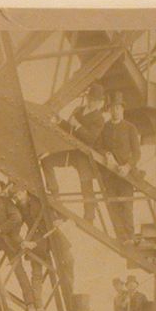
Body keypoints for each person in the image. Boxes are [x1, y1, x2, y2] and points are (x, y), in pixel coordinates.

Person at [42, 82, 106, 221]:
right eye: (90, 98)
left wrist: (77, 126)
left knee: (86, 184)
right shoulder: (78, 110)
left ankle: (89, 215)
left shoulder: (99, 119)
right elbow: (69, 128)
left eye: (95, 100)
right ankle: (55, 195)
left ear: (100, 103)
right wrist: (60, 122)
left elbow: (90, 139)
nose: (91, 102)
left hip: (83, 155)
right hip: (70, 151)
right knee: (46, 160)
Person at [97, 92, 142, 240]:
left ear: (122, 109)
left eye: (118, 108)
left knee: (126, 207)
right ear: (109, 110)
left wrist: (128, 167)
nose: (115, 111)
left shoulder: (130, 128)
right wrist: (107, 154)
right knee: (112, 207)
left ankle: (130, 237)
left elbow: (137, 153)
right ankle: (121, 238)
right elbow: (98, 146)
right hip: (109, 175)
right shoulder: (105, 127)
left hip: (125, 175)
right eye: (112, 108)